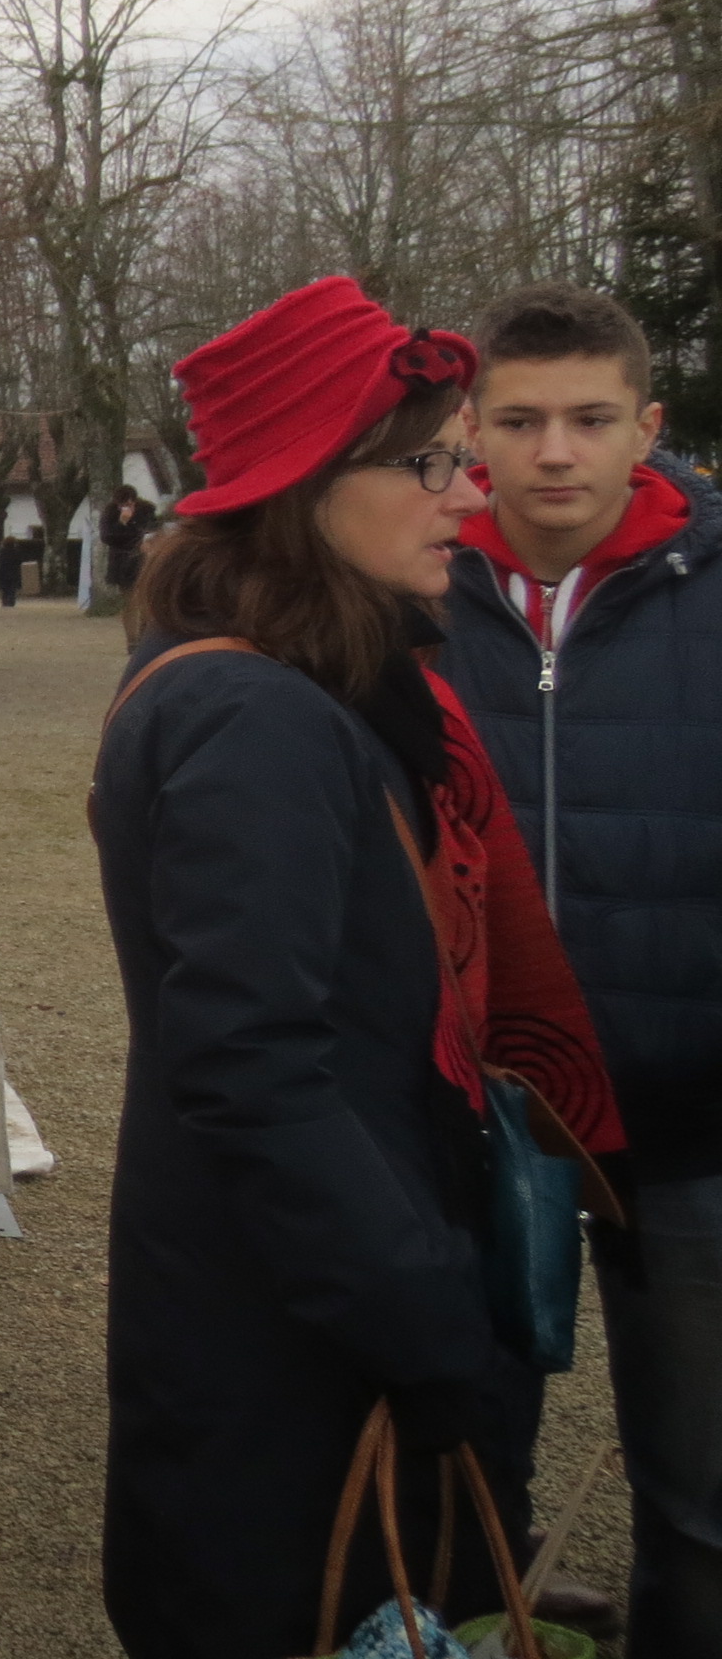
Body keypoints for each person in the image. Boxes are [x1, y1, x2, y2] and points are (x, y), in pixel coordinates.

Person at [91, 275, 622, 1659]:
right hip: (294, 1341)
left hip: (306, 1302)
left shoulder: (309, 688)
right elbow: (252, 1064)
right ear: (310, 485)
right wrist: (427, 1324)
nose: (472, 495)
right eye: (434, 462)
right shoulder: (250, 716)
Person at [440, 281, 722, 1650]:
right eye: (524, 418)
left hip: (695, 1118)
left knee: (703, 1491)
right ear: (473, 426)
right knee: (464, 1459)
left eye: (592, 419)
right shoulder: (412, 584)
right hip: (482, 1112)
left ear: (648, 425)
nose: (557, 451)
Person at [98, 484, 157, 595]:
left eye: (129, 504)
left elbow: (153, 529)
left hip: (143, 555)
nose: (126, 508)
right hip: (121, 560)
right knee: (127, 593)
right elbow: (106, 537)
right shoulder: (110, 512)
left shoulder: (147, 510)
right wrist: (121, 523)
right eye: (122, 505)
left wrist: (146, 540)